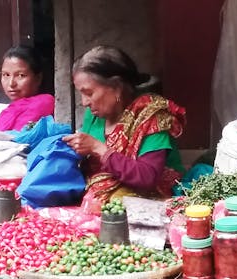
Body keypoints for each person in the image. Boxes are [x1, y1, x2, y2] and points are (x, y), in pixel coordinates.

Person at [62, 45, 186, 213]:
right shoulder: (94, 116)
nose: (84, 102)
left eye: (89, 93)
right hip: (100, 200)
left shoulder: (151, 117)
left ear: (117, 87)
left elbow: (147, 177)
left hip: (149, 199)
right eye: (81, 94)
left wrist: (98, 149)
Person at [0, 45, 55, 132]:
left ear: (38, 78)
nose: (11, 83)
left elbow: (15, 138)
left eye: (21, 75)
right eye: (6, 75)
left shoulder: (44, 103)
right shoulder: (11, 109)